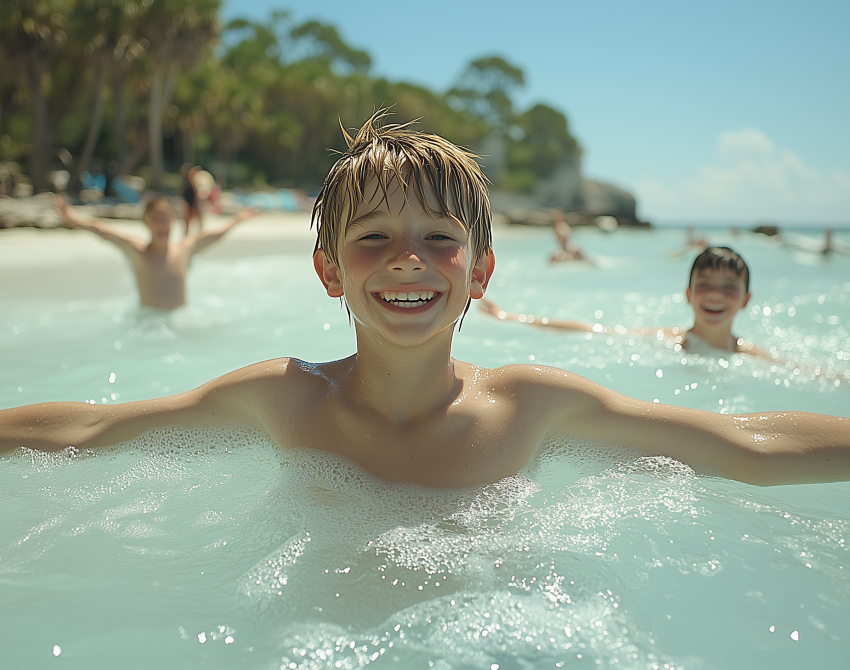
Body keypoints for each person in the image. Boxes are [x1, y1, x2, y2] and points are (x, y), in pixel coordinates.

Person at [4, 112, 848, 488]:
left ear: (479, 273)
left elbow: (748, 439)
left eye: (440, 238)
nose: (408, 259)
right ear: (330, 271)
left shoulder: (530, 408)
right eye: (372, 237)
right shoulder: (285, 399)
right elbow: (92, 428)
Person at [480, 246, 770, 358]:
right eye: (704, 284)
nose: (715, 294)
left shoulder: (752, 356)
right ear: (688, 294)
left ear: (745, 300)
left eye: (728, 288)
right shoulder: (667, 339)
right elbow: (592, 330)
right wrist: (511, 316)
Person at [53, 194, 259, 310]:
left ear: (173, 220)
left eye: (166, 218)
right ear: (146, 223)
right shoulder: (139, 251)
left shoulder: (184, 250)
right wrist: (71, 217)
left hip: (180, 319)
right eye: (156, 219)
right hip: (149, 323)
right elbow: (103, 230)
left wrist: (237, 219)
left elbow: (213, 235)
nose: (162, 223)